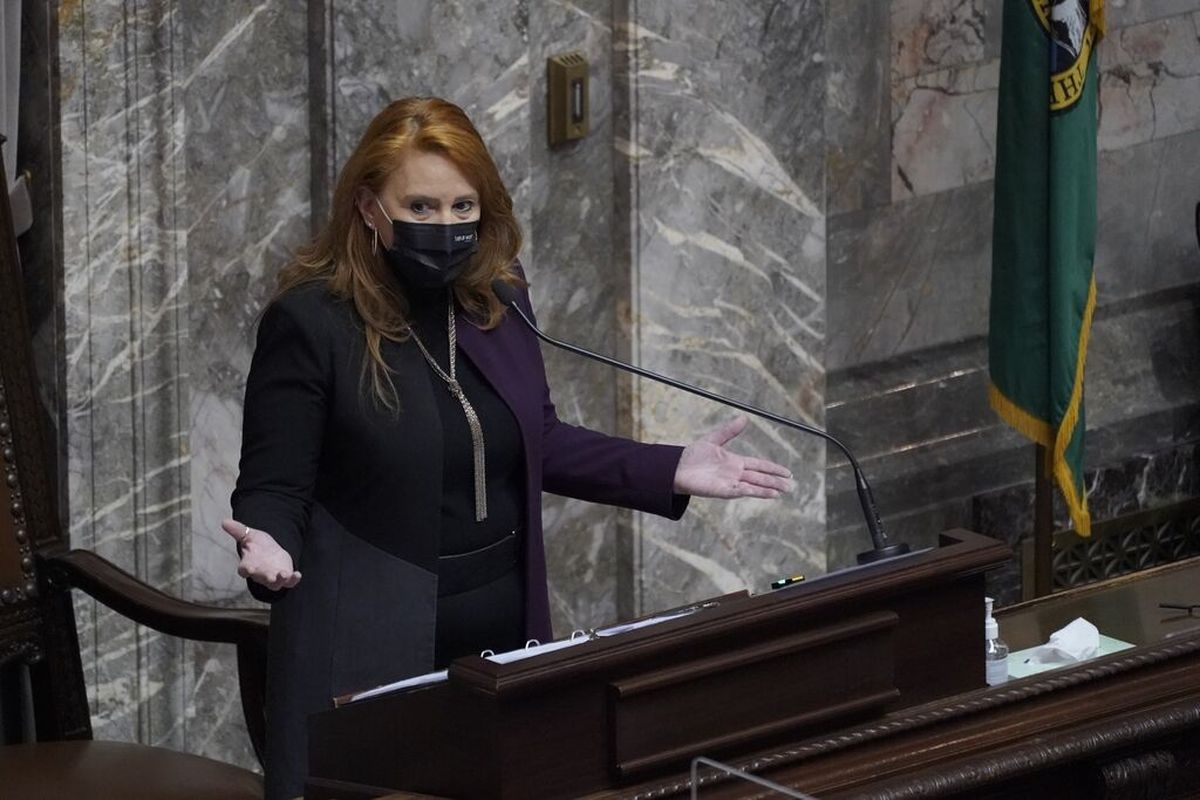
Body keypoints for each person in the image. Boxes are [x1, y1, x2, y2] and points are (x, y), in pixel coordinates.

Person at [221, 97, 792, 800]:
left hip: (504, 639)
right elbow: (275, 485)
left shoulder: (496, 294)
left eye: (464, 207)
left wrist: (669, 466)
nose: (447, 227)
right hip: (371, 645)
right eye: (422, 208)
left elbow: (538, 439)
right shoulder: (312, 322)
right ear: (369, 208)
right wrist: (270, 546)